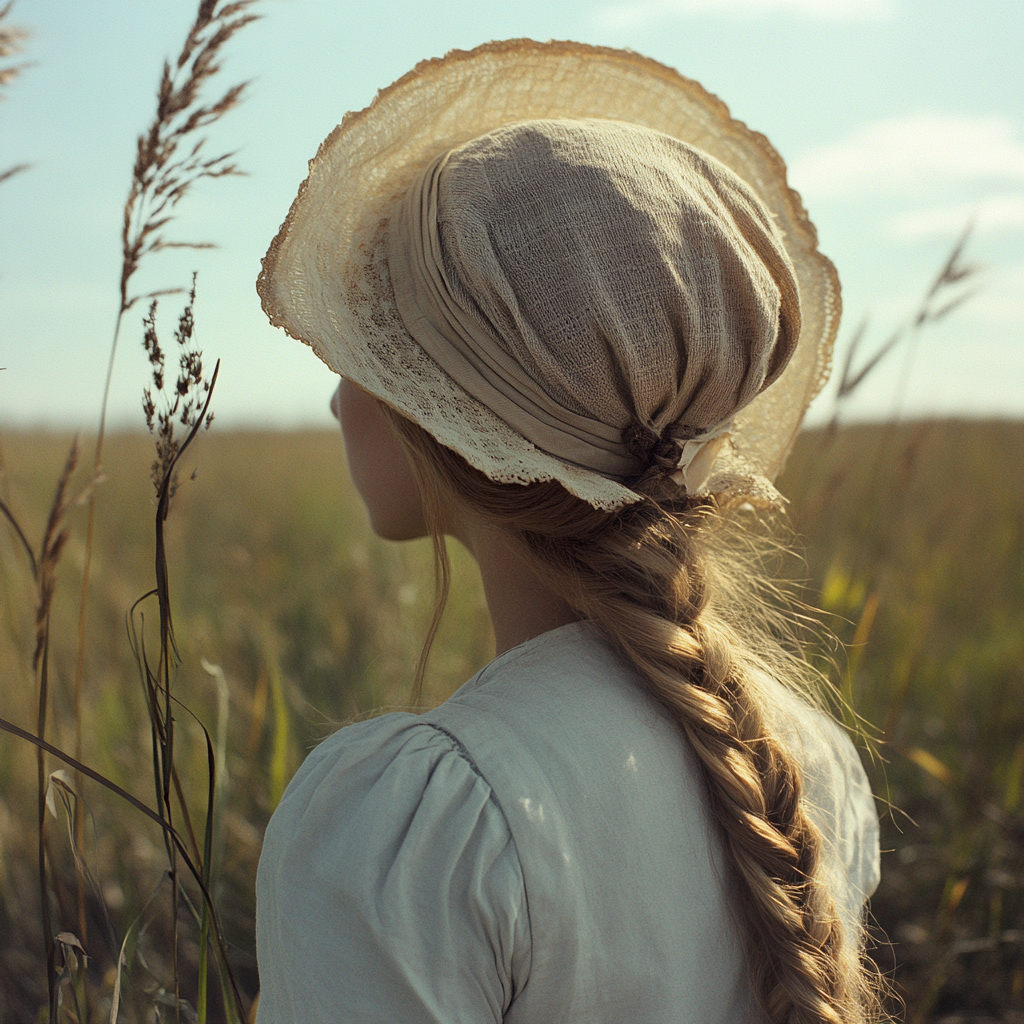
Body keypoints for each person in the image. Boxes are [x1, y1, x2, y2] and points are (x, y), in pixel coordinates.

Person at [254, 40, 882, 1023]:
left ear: (450, 417)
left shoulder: (422, 825)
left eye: (373, 352)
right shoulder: (805, 766)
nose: (340, 399)